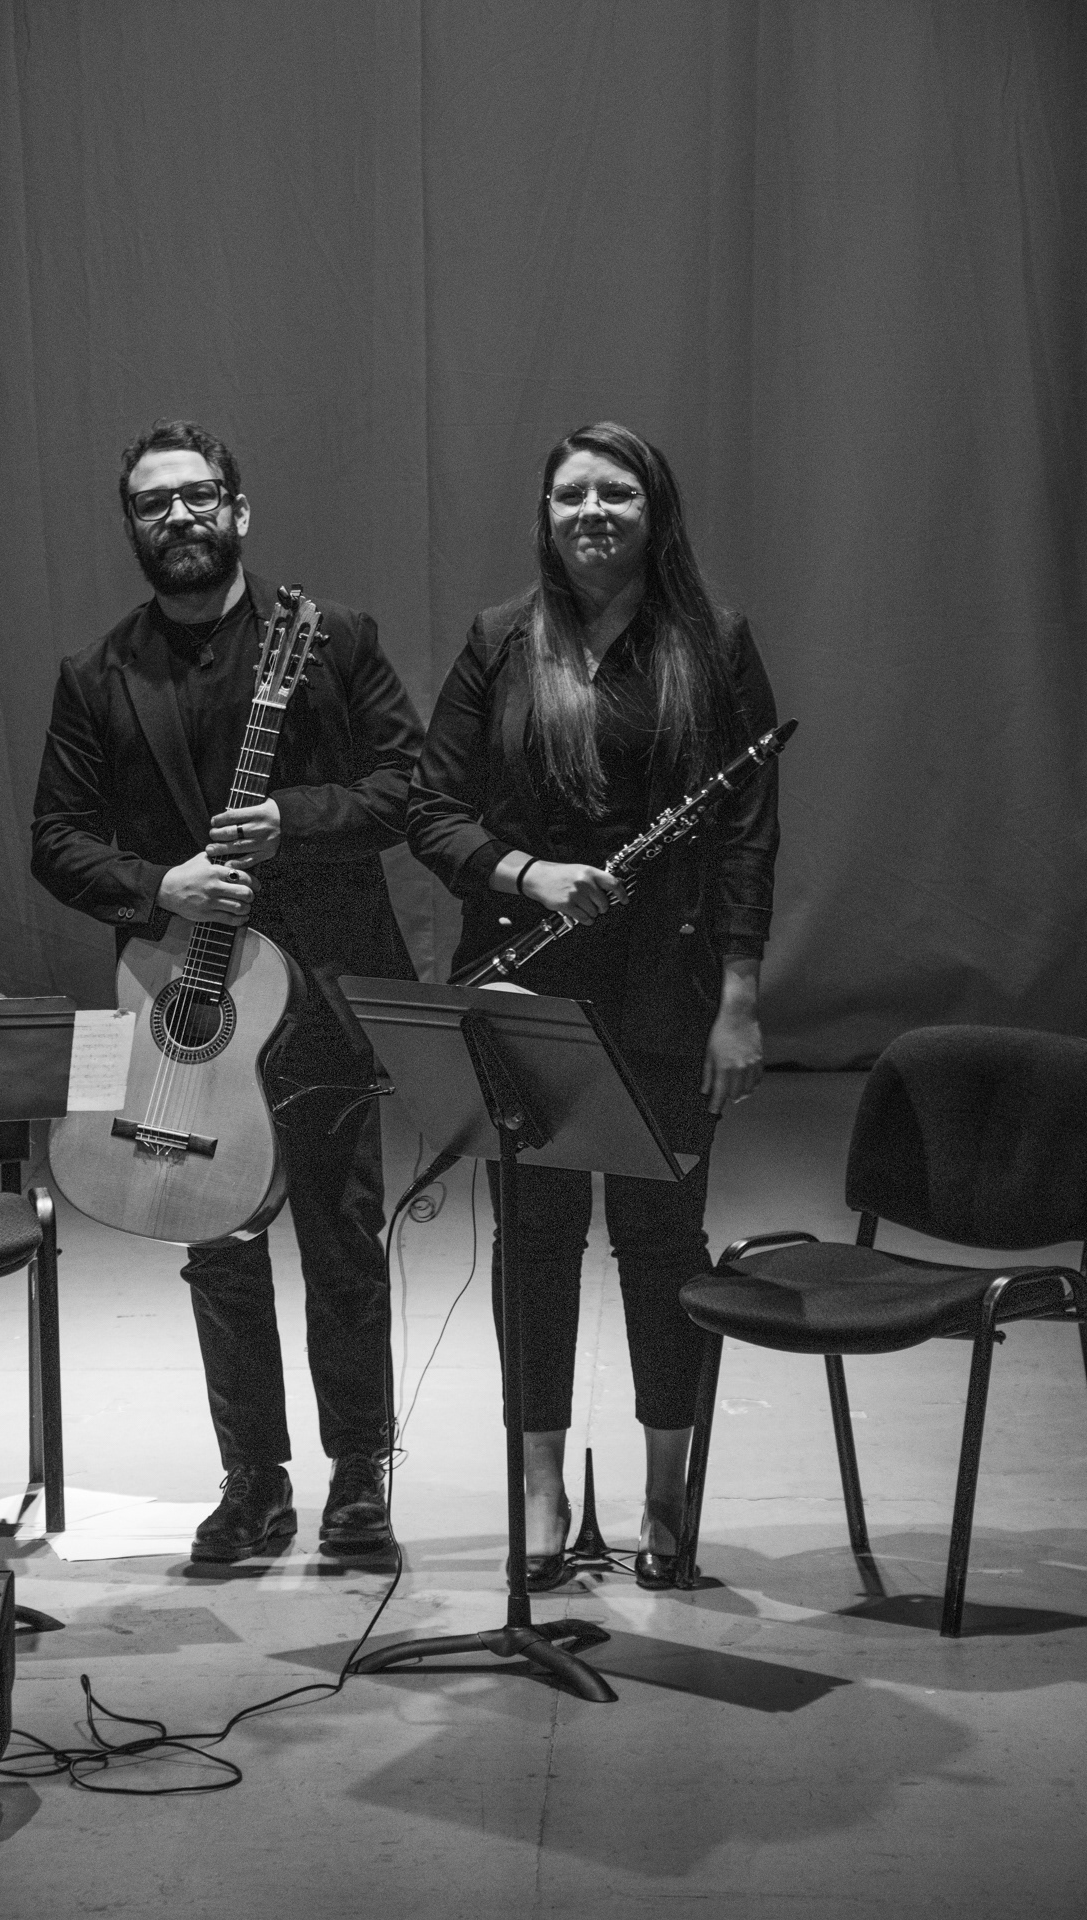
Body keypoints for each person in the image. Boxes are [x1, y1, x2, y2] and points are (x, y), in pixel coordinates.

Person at [32, 418, 424, 1563]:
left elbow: (407, 786)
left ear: (238, 510)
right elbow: (56, 840)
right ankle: (252, 1480)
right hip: (186, 998)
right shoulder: (96, 676)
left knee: (342, 1244)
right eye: (154, 503)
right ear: (131, 527)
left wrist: (291, 819)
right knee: (211, 1244)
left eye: (198, 495)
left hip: (322, 990)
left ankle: (359, 1478)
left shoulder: (330, 640)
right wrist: (161, 883)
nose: (179, 517)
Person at [406, 420, 780, 1590]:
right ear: (545, 513)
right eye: (570, 494)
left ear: (653, 512)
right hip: (529, 983)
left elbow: (746, 838)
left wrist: (738, 997)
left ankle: (666, 1496)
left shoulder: (714, 646)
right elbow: (430, 809)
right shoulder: (497, 642)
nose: (590, 513)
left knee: (662, 1246)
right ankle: (538, 1491)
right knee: (534, 1242)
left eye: (615, 493)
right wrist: (526, 874)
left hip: (669, 992)